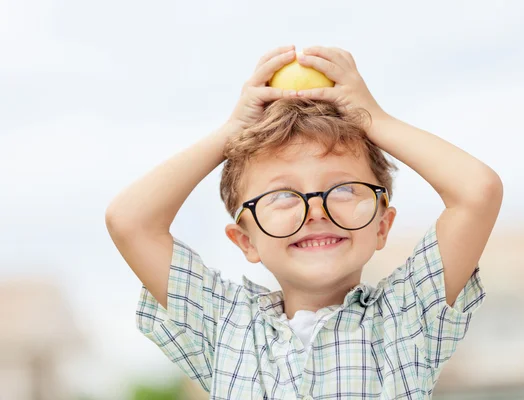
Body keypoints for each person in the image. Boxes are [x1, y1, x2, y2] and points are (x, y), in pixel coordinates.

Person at [105, 45, 503, 399]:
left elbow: (477, 191)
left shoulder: (409, 317)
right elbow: (130, 221)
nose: (316, 211)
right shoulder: (225, 325)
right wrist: (230, 134)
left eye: (344, 189)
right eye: (281, 196)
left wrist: (373, 119)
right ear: (246, 241)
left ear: (382, 225)